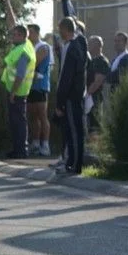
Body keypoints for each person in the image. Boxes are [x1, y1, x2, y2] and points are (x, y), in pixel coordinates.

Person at [0, 24, 36, 159]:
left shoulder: (23, 51)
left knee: (18, 122)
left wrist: (13, 92)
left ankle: (20, 150)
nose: (12, 36)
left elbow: (20, 74)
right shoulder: (25, 46)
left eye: (14, 34)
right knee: (17, 121)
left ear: (21, 36)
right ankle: (18, 149)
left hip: (17, 91)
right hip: (17, 90)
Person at [56, 17, 87, 175]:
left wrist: (60, 101)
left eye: (60, 29)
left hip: (71, 97)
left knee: (75, 131)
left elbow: (67, 77)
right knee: (70, 131)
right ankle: (70, 162)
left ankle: (75, 165)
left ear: (65, 29)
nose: (58, 32)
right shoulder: (70, 45)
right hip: (70, 96)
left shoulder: (74, 46)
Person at [27, 25, 52, 156]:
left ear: (37, 33)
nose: (28, 35)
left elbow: (33, 63)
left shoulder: (43, 47)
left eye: (30, 32)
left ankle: (45, 144)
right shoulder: (28, 47)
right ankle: (35, 142)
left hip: (40, 85)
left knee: (42, 115)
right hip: (29, 85)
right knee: (32, 115)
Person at [86, 36, 110, 132]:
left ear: (97, 46)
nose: (88, 46)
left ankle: (95, 145)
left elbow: (97, 82)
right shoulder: (91, 60)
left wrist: (87, 94)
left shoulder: (102, 61)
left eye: (90, 44)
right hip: (89, 97)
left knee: (95, 123)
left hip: (95, 98)